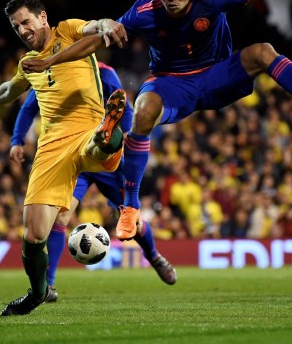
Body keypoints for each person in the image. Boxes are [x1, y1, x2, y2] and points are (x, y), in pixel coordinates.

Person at [22, 0, 292, 241]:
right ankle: (131, 206)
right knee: (143, 109)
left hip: (217, 74)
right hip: (172, 85)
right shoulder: (143, 11)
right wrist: (51, 61)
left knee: (263, 51)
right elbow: (97, 41)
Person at [0, 0, 128, 316]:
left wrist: (108, 23)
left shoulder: (67, 30)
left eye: (26, 22)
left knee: (98, 144)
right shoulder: (28, 63)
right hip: (51, 147)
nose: (22, 30)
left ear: (43, 17)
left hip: (85, 129)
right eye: (16, 27)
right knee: (34, 233)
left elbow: (96, 27)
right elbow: (10, 89)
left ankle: (107, 132)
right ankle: (38, 292)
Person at [10, 61, 177, 302]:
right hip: (73, 158)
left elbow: (125, 108)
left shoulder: (103, 72)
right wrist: (17, 139)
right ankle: (51, 285)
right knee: (60, 216)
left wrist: (126, 142)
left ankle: (154, 256)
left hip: (103, 157)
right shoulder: (50, 73)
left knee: (131, 218)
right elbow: (28, 108)